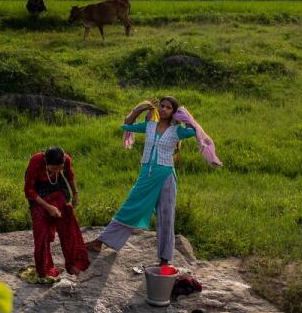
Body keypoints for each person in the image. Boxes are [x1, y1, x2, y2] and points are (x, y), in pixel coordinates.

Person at [87, 96, 195, 266]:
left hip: (166, 176)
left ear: (173, 112)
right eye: (162, 106)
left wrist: (185, 117)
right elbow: (126, 125)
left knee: (166, 216)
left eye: (168, 107)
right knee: (130, 207)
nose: (164, 109)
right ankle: (101, 242)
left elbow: (192, 132)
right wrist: (140, 109)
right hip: (147, 175)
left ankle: (164, 259)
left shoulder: (177, 131)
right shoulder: (149, 126)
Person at [24, 146, 90, 277]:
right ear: (46, 162)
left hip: (57, 190)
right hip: (38, 194)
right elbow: (28, 191)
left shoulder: (65, 159)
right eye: (53, 169)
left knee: (68, 223)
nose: (57, 171)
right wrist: (49, 207)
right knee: (41, 231)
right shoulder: (36, 161)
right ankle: (45, 270)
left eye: (59, 168)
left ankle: (72, 263)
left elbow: (69, 175)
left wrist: (75, 193)